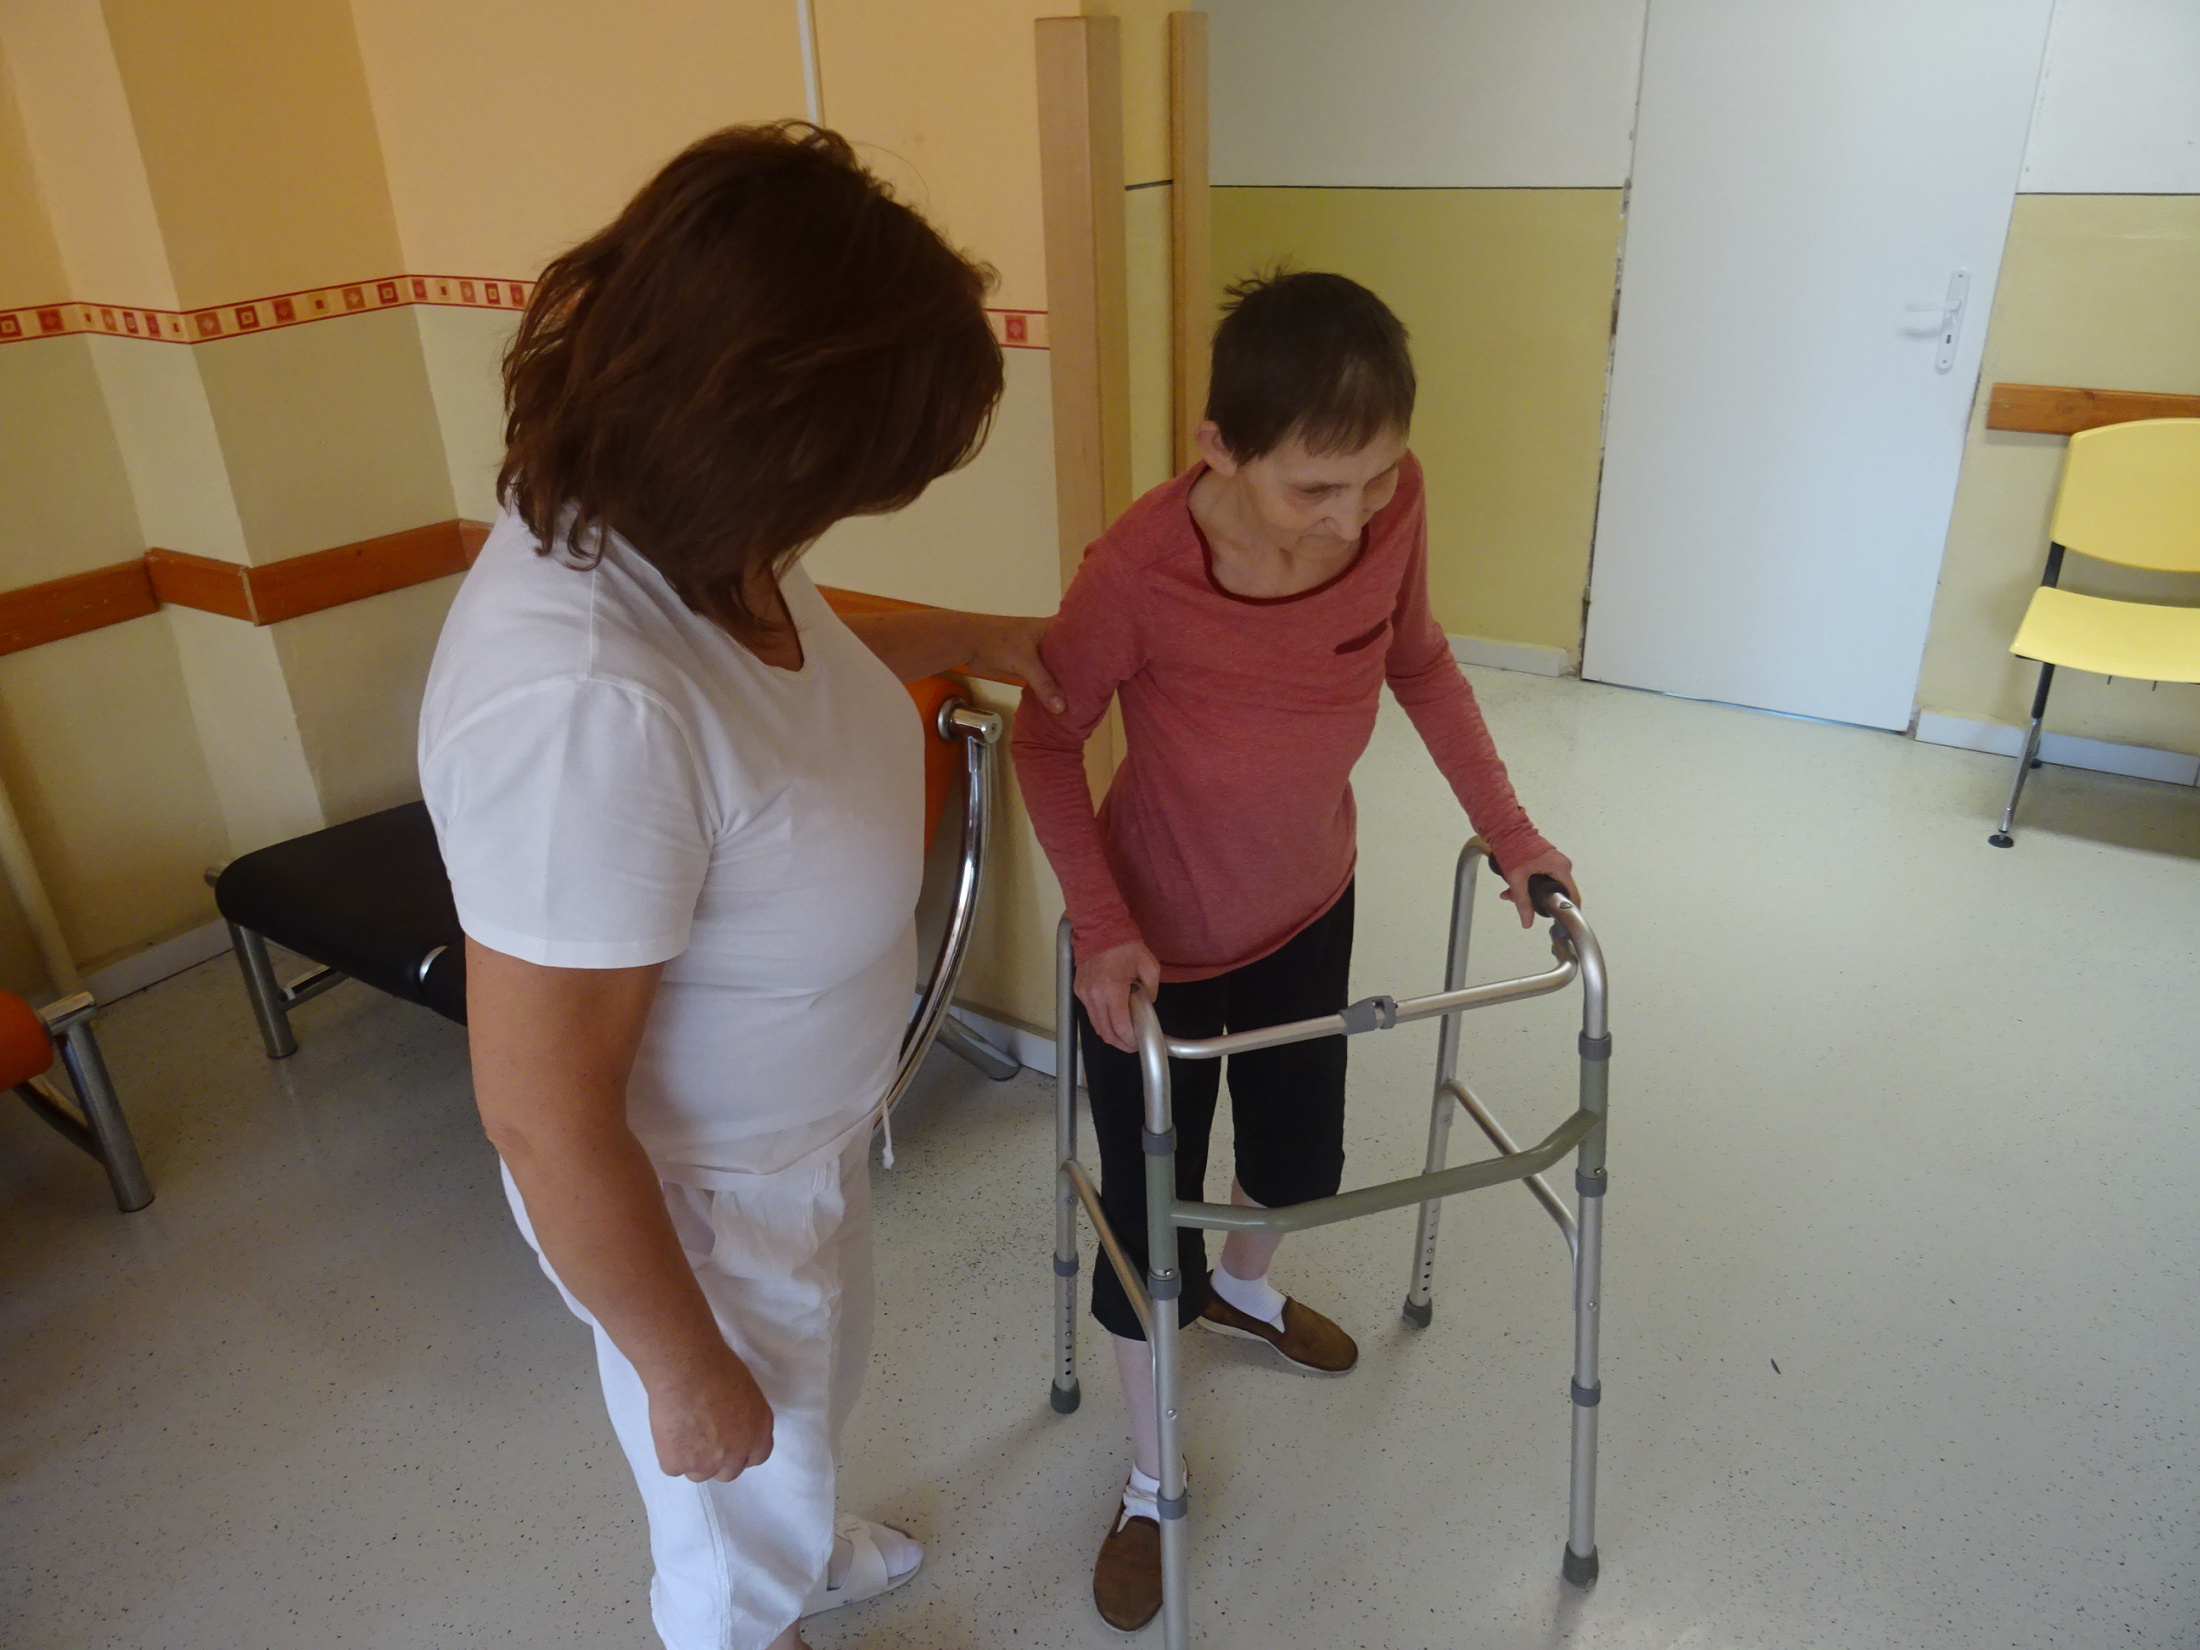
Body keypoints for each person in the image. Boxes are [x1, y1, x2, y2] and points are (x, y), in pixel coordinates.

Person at [419, 123, 1064, 1650]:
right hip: (694, 1205)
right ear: (762, 436)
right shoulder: (580, 701)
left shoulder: (700, 534)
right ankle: (746, 1618)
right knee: (729, 1487)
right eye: (853, 480)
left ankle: (801, 1541)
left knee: (806, 1403)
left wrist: (981, 632)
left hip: (798, 1141)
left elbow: (783, 687)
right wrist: (681, 1362)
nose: (842, 520)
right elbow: (541, 1109)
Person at [1012, 270, 1580, 1631]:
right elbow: (1043, 738)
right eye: (1316, 488)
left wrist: (1511, 831)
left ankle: (1243, 1292)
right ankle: (1150, 1484)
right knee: (1147, 1226)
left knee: (1297, 1168)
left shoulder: (1393, 507)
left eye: (1377, 478)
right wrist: (1102, 926)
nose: (1353, 515)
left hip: (1309, 906)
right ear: (1219, 448)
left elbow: (1419, 661)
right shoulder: (1134, 572)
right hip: (1154, 948)